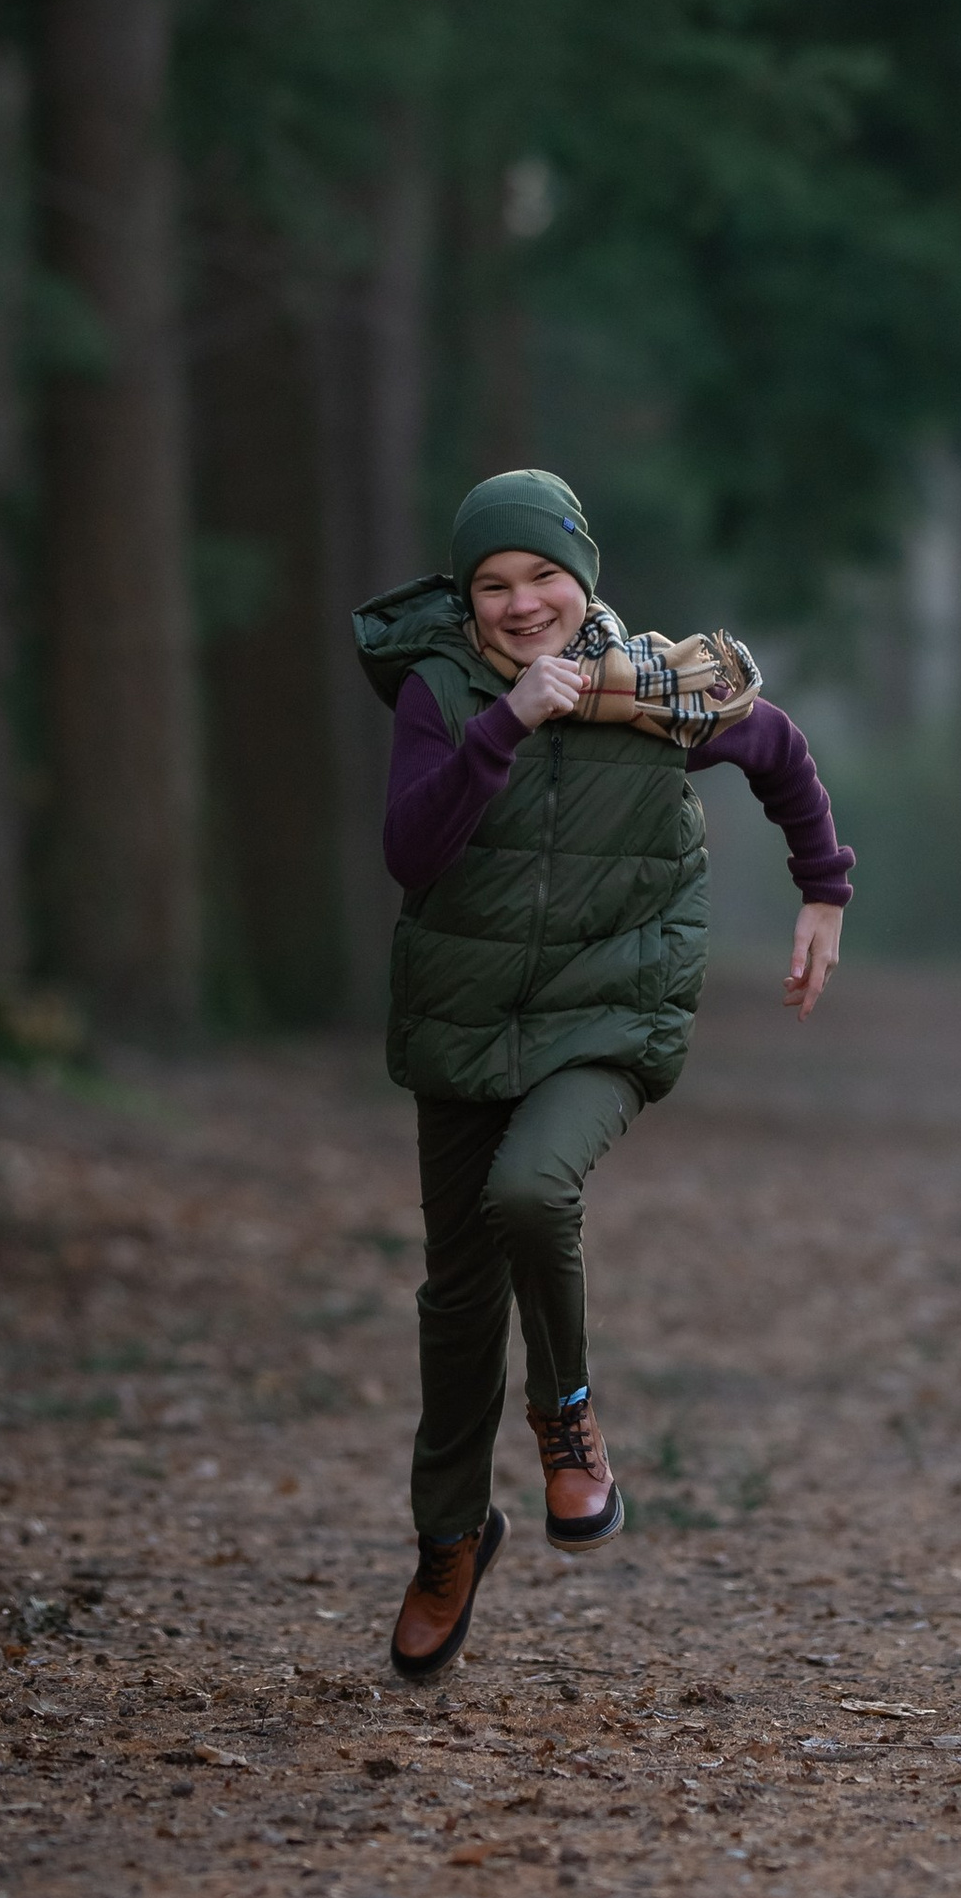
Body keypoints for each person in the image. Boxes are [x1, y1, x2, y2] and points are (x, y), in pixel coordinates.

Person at [352, 469, 854, 1680]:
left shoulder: (664, 687)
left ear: (584, 576)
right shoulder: (441, 693)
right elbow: (409, 850)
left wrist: (822, 891)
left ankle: (567, 1419)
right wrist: (504, 721)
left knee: (532, 1190)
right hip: (464, 1022)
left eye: (542, 577)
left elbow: (780, 750)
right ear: (466, 599)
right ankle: (450, 1536)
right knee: (457, 1302)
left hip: (606, 1016)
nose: (524, 604)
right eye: (494, 585)